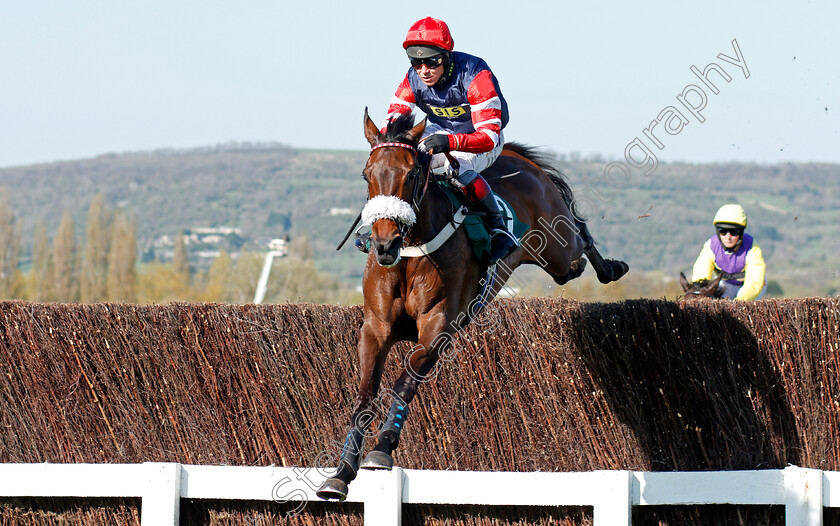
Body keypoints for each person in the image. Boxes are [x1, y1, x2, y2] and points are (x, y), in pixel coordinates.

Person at [375, 16, 518, 264]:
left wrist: (451, 143)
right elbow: (394, 120)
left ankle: (499, 230)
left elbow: (489, 136)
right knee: (397, 164)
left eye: (431, 62)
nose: (424, 71)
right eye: (417, 63)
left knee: (457, 167)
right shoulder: (412, 79)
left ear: (446, 56)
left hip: (481, 137)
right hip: (439, 132)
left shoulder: (476, 75)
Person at [691, 204, 767, 300]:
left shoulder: (752, 247)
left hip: (752, 286)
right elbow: (701, 276)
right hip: (727, 284)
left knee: (744, 307)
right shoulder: (710, 246)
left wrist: (739, 301)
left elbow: (753, 283)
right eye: (723, 231)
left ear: (741, 232)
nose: (728, 237)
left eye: (734, 232)